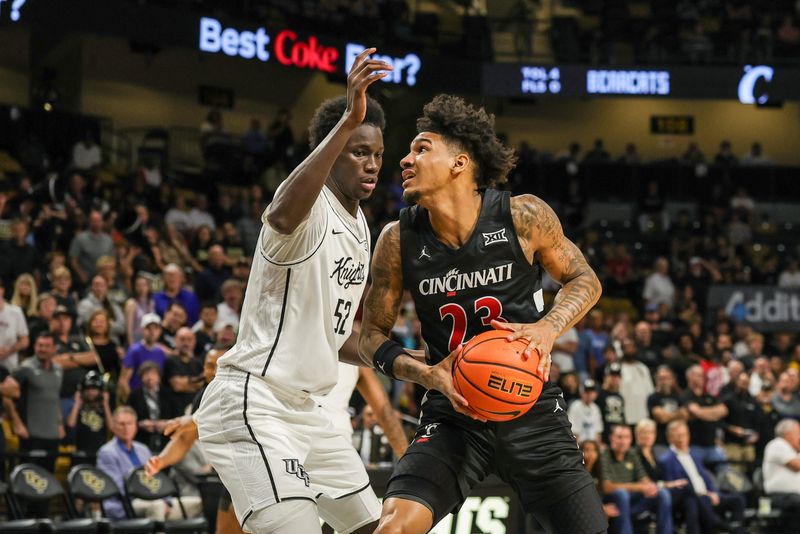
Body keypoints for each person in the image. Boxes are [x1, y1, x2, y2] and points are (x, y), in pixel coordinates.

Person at [358, 94, 605, 533]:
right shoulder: (397, 240)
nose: (404, 160)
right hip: (452, 414)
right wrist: (426, 374)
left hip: (531, 411)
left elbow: (585, 280)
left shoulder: (522, 215)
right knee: (393, 528)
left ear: (460, 162)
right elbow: (371, 337)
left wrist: (547, 328)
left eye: (421, 148)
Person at [193, 48, 391, 534]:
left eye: (378, 155)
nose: (371, 164)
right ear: (334, 146)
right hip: (254, 401)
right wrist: (347, 119)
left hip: (310, 413)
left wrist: (413, 362)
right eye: (359, 151)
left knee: (380, 527)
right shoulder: (306, 208)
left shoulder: (362, 227)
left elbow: (338, 338)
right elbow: (281, 213)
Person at [97, 406, 202, 521]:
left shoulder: (143, 449)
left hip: (154, 500)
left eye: (129, 423)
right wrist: (154, 498)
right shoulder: (107, 452)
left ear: (135, 426)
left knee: (197, 503)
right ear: (113, 426)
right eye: (121, 424)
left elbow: (158, 479)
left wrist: (165, 500)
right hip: (124, 504)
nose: (126, 428)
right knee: (157, 506)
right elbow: (117, 487)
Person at [659, 420, 747, 534]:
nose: (682, 438)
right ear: (670, 438)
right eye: (678, 435)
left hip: (708, 495)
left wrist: (713, 492)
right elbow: (675, 487)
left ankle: (735, 529)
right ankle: (718, 525)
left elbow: (705, 478)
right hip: (691, 497)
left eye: (684, 435)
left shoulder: (694, 455)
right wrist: (704, 494)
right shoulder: (666, 460)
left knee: (738, 499)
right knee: (694, 502)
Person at [601, 424, 673, 534]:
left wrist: (650, 487)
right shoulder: (604, 455)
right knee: (621, 494)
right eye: (620, 437)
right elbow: (607, 487)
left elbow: (644, 479)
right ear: (611, 438)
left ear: (631, 439)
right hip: (612, 500)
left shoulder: (632, 454)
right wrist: (640, 487)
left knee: (662, 493)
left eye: (627, 437)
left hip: (632, 499)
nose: (623, 441)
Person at [0, 277, 30, 371]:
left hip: (10, 365)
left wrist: (8, 350)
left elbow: (25, 340)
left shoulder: (15, 312)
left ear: (2, 290)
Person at [567, 378, 604, 443]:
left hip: (592, 445)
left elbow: (598, 432)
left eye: (591, 392)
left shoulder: (596, 408)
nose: (589, 395)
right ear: (581, 392)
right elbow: (572, 431)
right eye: (586, 392)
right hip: (579, 443)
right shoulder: (575, 406)